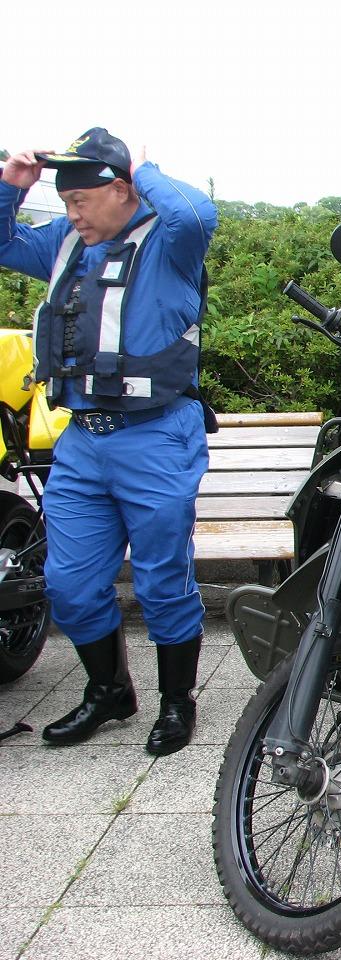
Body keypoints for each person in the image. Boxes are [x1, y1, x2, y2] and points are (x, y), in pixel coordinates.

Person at [0, 128, 218, 755]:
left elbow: (195, 210)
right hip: (83, 442)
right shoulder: (68, 243)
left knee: (160, 582)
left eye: (81, 200)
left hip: (155, 436)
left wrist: (144, 168)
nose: (72, 213)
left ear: (121, 190)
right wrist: (13, 188)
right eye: (64, 200)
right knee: (68, 583)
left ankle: (177, 703)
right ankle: (109, 691)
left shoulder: (171, 243)